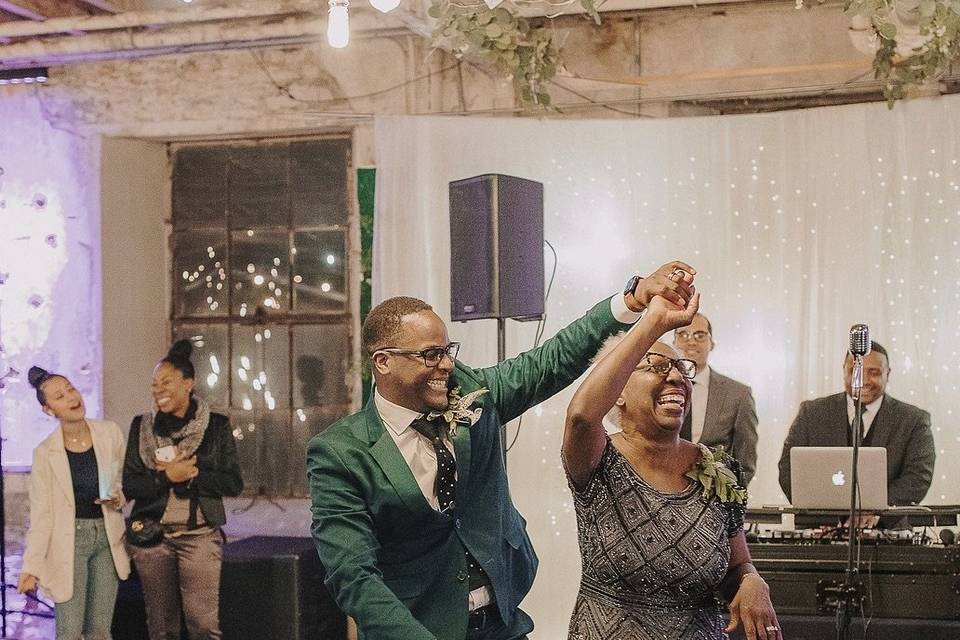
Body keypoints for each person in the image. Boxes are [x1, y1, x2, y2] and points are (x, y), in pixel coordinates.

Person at [307, 261, 696, 640]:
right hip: (418, 627)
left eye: (448, 349)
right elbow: (352, 575)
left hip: (503, 625)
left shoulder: (473, 395)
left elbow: (554, 358)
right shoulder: (340, 453)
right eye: (431, 355)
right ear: (383, 362)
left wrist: (632, 300)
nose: (447, 364)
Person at [563, 273, 781, 640]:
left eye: (681, 369)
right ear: (618, 390)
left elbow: (738, 561)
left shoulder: (719, 468)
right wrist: (652, 324)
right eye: (656, 367)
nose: (677, 377)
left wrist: (752, 580)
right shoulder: (599, 457)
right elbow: (583, 416)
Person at [123, 339, 243, 640]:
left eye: (166, 382)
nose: (158, 389)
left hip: (200, 536)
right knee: (162, 627)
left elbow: (233, 483)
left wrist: (193, 472)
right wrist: (167, 478)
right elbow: (131, 484)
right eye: (154, 384)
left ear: (188, 383)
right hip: (153, 538)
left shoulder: (216, 426)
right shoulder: (142, 426)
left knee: (203, 625)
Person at [18, 367, 130, 640]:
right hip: (68, 542)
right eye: (59, 396)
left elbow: (122, 482)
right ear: (49, 410)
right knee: (69, 631)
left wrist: (118, 497)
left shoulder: (110, 433)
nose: (70, 397)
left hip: (107, 537)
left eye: (70, 388)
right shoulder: (45, 453)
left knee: (100, 632)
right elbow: (41, 515)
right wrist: (31, 567)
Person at [777, 341, 935, 506]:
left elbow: (918, 478)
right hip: (819, 524)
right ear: (843, 370)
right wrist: (822, 510)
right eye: (855, 371)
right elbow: (788, 469)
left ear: (887, 374)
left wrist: (875, 510)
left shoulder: (913, 419)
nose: (863, 381)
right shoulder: (812, 412)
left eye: (873, 372)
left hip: (888, 528)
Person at [672, 313, 759, 486]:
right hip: (662, 497)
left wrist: (727, 503)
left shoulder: (738, 394)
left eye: (700, 335)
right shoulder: (657, 388)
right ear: (673, 343)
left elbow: (745, 462)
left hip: (715, 502)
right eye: (683, 335)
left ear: (712, 344)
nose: (691, 341)